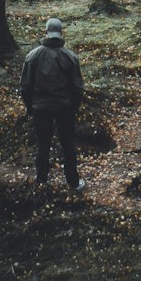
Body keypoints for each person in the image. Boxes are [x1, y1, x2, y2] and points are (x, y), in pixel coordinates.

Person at [20, 17, 85, 190]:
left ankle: (41, 181)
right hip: (65, 108)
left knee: (43, 144)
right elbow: (78, 88)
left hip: (40, 108)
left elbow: (25, 87)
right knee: (68, 144)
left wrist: (29, 107)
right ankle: (73, 182)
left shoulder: (32, 56)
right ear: (61, 33)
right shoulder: (70, 56)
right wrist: (74, 107)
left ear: (46, 32)